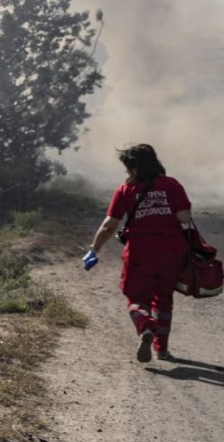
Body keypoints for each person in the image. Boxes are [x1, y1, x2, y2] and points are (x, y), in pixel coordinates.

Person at [82, 144, 192, 363]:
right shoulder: (172, 185)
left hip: (140, 252)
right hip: (172, 250)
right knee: (163, 300)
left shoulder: (125, 190)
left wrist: (94, 250)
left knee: (136, 298)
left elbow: (109, 226)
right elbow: (184, 218)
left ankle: (145, 329)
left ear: (131, 167)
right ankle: (162, 350)